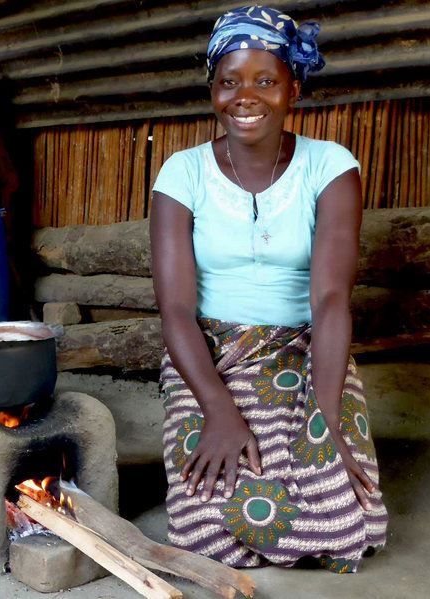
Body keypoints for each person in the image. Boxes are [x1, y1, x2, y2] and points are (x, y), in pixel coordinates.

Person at [150, 6, 388, 572]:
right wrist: (217, 410)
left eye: (265, 80)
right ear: (213, 90)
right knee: (206, 518)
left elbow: (330, 299)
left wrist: (326, 415)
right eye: (229, 82)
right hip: (211, 353)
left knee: (344, 511)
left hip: (306, 348)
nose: (246, 97)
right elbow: (176, 310)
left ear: (292, 90)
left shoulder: (330, 167)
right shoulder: (182, 173)